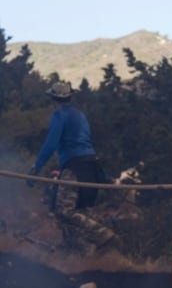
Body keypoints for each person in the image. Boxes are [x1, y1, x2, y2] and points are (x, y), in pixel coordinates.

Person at [28, 80, 116, 253]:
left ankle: (105, 235)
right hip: (91, 166)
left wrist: (36, 167)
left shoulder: (58, 115)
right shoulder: (80, 115)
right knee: (80, 210)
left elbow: (50, 144)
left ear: (53, 99)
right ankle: (80, 251)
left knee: (64, 211)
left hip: (74, 168)